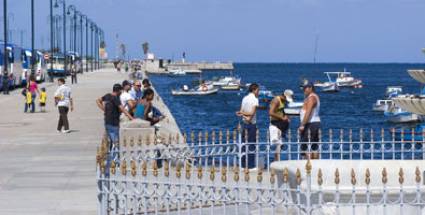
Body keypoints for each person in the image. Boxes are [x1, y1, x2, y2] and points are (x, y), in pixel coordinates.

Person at [236, 83, 260, 170]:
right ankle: (250, 165)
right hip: (251, 124)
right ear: (254, 90)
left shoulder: (244, 98)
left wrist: (243, 114)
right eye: (258, 90)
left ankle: (242, 165)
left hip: (244, 122)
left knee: (243, 144)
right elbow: (252, 113)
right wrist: (246, 115)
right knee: (251, 144)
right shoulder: (255, 99)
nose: (258, 92)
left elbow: (241, 110)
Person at [299, 82, 321, 159]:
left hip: (311, 123)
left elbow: (308, 112)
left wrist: (302, 125)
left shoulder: (312, 98)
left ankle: (309, 166)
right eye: (303, 88)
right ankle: (314, 166)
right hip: (312, 123)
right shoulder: (311, 97)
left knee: (305, 146)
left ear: (311, 88)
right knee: (313, 146)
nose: (304, 90)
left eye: (305, 88)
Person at [268, 90, 290, 161]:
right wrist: (282, 118)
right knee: (278, 144)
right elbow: (271, 112)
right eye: (286, 99)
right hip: (275, 124)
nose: (286, 100)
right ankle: (276, 161)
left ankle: (276, 160)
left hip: (281, 124)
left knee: (280, 145)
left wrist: (286, 117)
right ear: (283, 96)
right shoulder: (276, 100)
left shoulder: (283, 101)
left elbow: (281, 111)